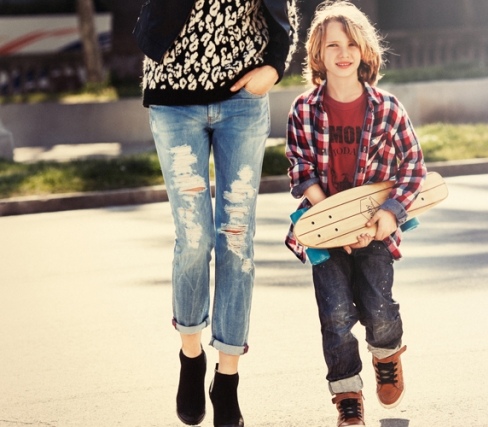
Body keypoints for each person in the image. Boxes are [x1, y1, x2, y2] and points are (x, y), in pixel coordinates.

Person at [133, 0, 298, 426]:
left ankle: (227, 378)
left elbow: (286, 11)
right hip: (174, 99)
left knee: (237, 239)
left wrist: (275, 67)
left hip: (242, 101)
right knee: (193, 238)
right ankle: (191, 358)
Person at [284, 1, 427, 425]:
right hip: (324, 233)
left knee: (378, 308)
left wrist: (389, 215)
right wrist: (331, 217)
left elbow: (413, 168)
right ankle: (347, 394)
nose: (342, 52)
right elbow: (299, 168)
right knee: (336, 316)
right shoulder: (304, 110)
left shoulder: (386, 108)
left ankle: (387, 355)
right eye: (332, 45)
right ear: (318, 54)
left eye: (350, 43)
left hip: (377, 228)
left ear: (364, 50)